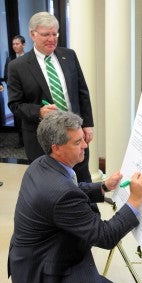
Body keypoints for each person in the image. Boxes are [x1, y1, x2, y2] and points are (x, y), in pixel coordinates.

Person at [8, 110, 142, 283]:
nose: (85, 145)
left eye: (83, 138)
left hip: (30, 260)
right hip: (44, 274)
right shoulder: (61, 193)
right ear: (56, 148)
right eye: (77, 142)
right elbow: (105, 236)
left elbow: (71, 189)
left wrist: (103, 186)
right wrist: (134, 200)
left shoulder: (40, 164)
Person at [7, 12, 93, 182]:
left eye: (55, 34)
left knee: (82, 179)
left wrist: (88, 124)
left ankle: (88, 208)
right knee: (49, 184)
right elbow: (15, 104)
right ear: (33, 34)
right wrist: (39, 112)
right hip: (42, 140)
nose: (52, 39)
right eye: (46, 34)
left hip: (75, 134)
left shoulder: (69, 56)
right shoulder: (17, 66)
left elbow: (82, 91)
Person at [4, 35, 26, 148]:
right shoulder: (10, 59)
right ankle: (20, 140)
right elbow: (6, 75)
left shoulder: (28, 58)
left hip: (27, 93)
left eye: (17, 44)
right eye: (13, 44)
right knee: (17, 116)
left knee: (27, 115)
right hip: (15, 93)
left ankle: (28, 140)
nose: (15, 46)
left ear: (23, 44)